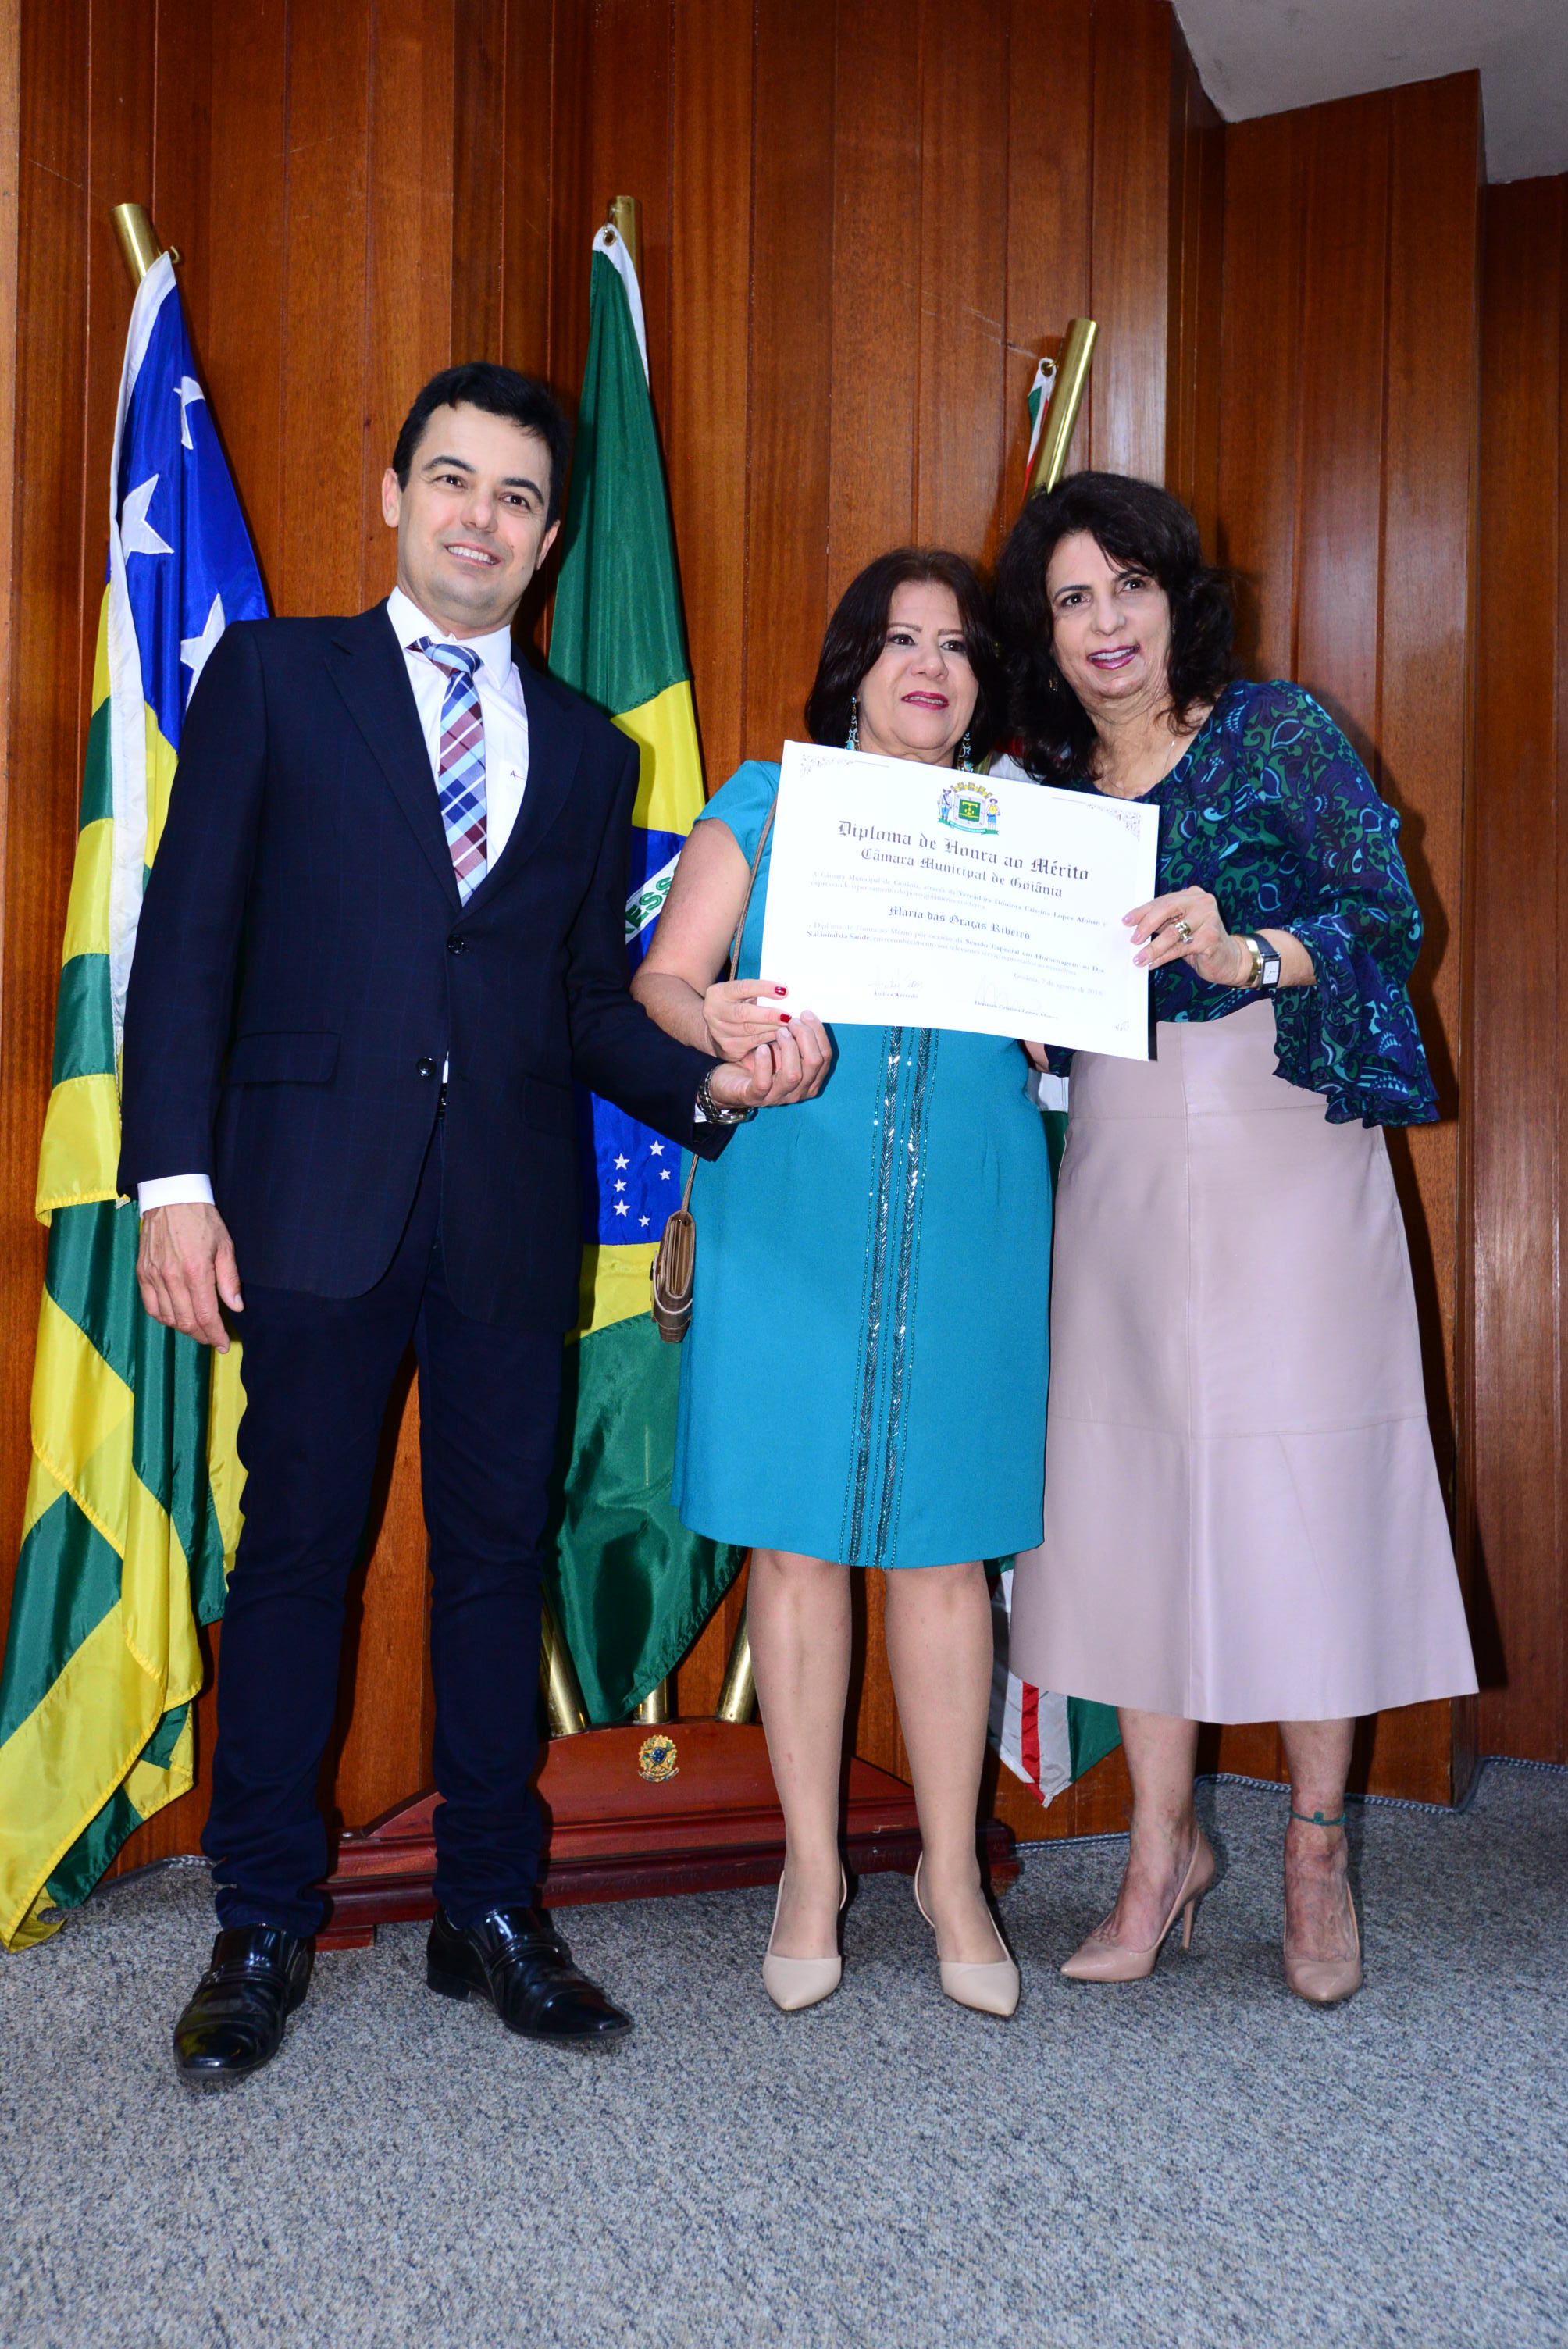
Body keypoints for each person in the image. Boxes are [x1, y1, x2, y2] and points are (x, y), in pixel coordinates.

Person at [120, 362, 779, 2083]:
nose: (480, 518)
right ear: (396, 495)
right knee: (294, 1561)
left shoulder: (592, 751)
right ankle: (260, 1919)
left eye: (516, 497)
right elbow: (188, 942)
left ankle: (488, 1907)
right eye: (453, 481)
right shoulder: (274, 677)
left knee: (497, 1566)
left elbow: (582, 1005)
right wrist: (172, 1184)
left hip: (504, 1214)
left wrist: (716, 1083)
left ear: (550, 539)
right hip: (304, 1204)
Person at [993, 472, 1477, 2005]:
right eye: (1072, 598)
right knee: (1129, 1491)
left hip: (1285, 1133)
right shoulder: (1038, 788)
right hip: (1120, 1149)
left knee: (1306, 1485)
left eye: (1127, 586)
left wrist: (1245, 946)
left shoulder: (1276, 731)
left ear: (1175, 598)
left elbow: (1383, 915)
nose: (1104, 623)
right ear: (1044, 631)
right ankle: (1162, 1851)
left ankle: (1315, 1851)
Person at [633, 551, 1053, 2019]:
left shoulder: (1030, 832)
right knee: (796, 1543)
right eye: (898, 640)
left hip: (976, 1209)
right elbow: (661, 982)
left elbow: (1086, 1020)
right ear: (852, 670)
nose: (929, 665)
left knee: (946, 1549)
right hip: (790, 1198)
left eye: (957, 645)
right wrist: (716, 1019)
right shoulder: (766, 802)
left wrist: (1073, 1013)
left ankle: (951, 1875)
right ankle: (809, 1870)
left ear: (983, 682)